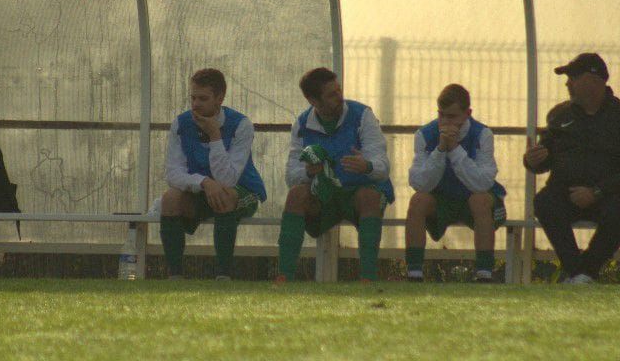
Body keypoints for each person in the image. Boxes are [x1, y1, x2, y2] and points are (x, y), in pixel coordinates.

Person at [524, 53, 620, 284]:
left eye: (573, 77)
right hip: (566, 193)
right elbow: (545, 158)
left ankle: (585, 272)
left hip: (609, 195)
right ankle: (578, 273)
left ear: (593, 80)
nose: (567, 83)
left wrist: (597, 192)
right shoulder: (560, 115)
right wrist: (533, 161)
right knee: (544, 202)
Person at [278, 67, 392, 282]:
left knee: (369, 196)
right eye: (332, 94)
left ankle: (367, 278)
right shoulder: (302, 125)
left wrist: (366, 166)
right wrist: (308, 171)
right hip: (325, 196)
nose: (340, 97)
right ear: (313, 100)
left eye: (339, 90)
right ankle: (284, 277)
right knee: (296, 195)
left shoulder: (362, 115)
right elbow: (291, 177)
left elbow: (383, 167)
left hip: (358, 194)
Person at [160, 68, 266, 279]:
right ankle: (174, 277)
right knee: (170, 198)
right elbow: (172, 173)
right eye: (193, 97)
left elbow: (228, 179)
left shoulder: (241, 125)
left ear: (220, 98)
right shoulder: (181, 124)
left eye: (203, 98)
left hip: (242, 191)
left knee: (224, 195)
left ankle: (223, 276)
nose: (196, 104)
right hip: (203, 190)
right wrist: (204, 182)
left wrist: (215, 135)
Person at [405, 83, 507, 283]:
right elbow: (419, 183)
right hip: (442, 199)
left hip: (474, 200)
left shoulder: (482, 134)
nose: (445, 122)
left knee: (481, 200)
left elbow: (482, 183)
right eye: (441, 115)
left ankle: (485, 273)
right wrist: (441, 150)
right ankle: (414, 273)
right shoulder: (424, 135)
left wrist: (455, 150)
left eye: (452, 117)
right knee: (418, 200)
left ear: (468, 113)